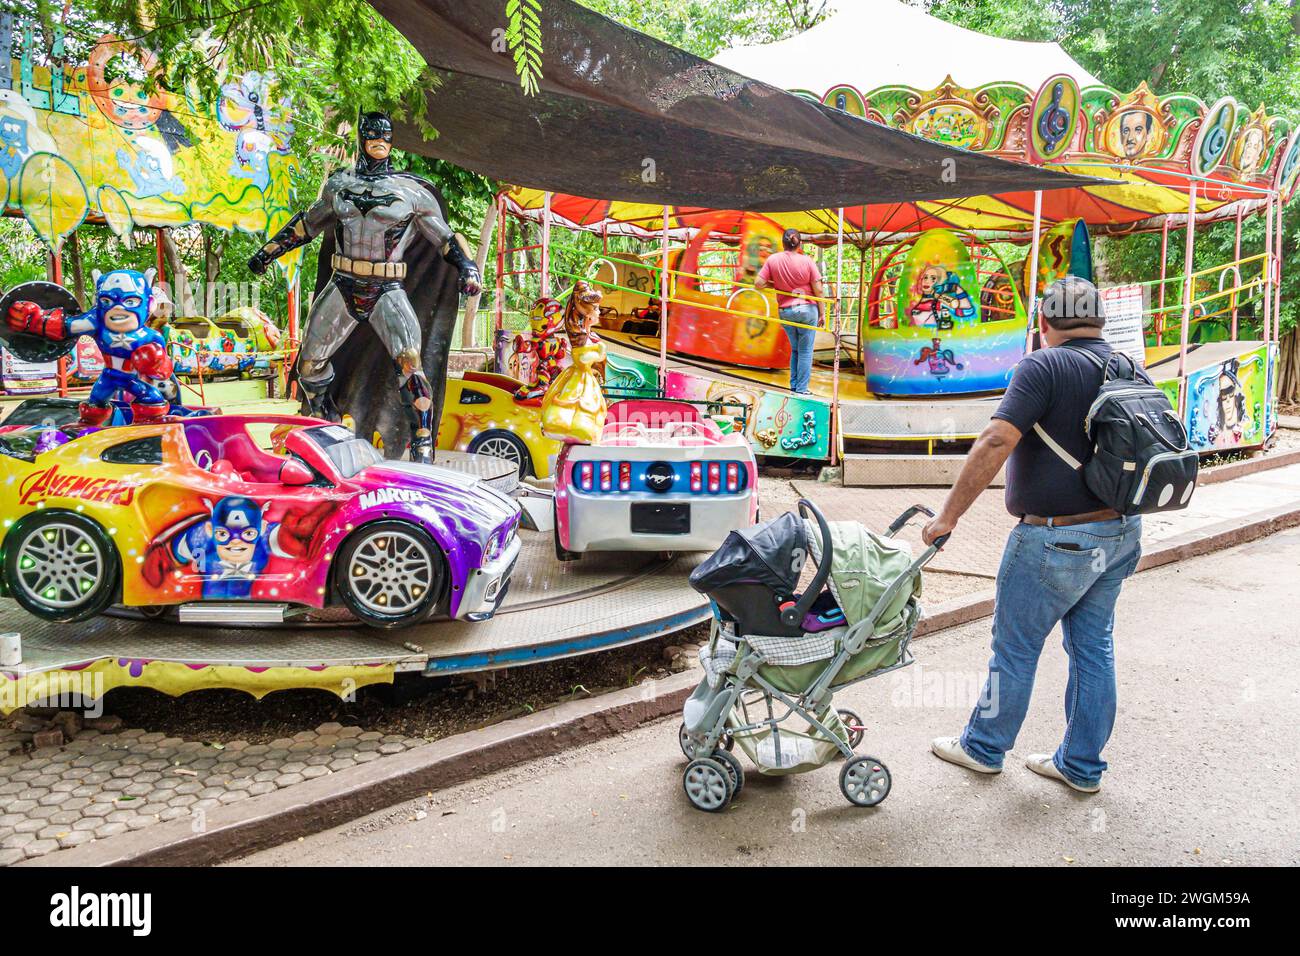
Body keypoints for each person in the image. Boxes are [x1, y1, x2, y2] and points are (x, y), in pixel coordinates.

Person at [922, 276, 1147, 794]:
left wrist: (948, 516)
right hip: (1120, 532)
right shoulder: (1127, 364)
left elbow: (998, 437)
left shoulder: (1043, 364)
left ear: (1044, 324)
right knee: (1094, 649)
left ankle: (983, 748)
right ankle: (1081, 766)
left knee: (1015, 650)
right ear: (1100, 322)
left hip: (1054, 539)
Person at [247, 110, 481, 463]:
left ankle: (421, 442)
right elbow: (307, 225)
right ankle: (325, 417)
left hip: (387, 287)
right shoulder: (340, 186)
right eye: (373, 134)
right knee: (309, 364)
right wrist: (267, 253)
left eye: (385, 135)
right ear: (361, 137)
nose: (380, 141)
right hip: (342, 282)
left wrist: (467, 268)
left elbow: (444, 238)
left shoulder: (412, 193)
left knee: (409, 363)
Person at [754, 228, 823, 394]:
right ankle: (802, 389)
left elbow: (758, 283)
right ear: (800, 243)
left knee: (796, 349)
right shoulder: (807, 261)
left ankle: (794, 385)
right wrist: (822, 313)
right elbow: (819, 290)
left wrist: (775, 284)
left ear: (783, 243)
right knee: (805, 350)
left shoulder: (773, 259)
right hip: (807, 310)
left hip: (786, 311)